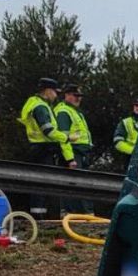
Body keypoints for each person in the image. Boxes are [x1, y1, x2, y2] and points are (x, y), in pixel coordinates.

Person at [19, 77, 74, 218]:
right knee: (41, 184)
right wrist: (67, 137)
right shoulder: (41, 107)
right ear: (48, 90)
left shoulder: (35, 103)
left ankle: (38, 216)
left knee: (39, 184)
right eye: (55, 92)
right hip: (43, 149)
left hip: (37, 147)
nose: (56, 95)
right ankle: (39, 218)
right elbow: (48, 131)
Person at [54, 84, 93, 215]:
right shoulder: (64, 111)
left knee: (82, 185)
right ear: (67, 95)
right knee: (73, 184)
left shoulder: (75, 111)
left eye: (79, 96)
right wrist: (69, 158)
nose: (78, 99)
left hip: (81, 152)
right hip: (73, 152)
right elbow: (63, 137)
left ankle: (81, 214)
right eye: (75, 96)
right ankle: (71, 214)